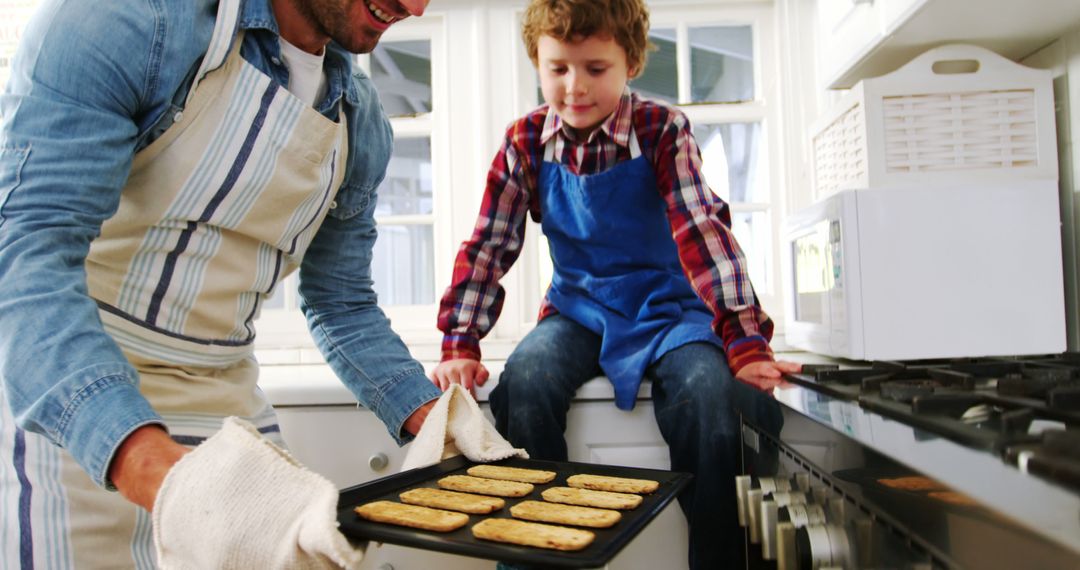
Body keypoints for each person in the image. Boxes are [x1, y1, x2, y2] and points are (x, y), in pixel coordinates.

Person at [0, 0, 443, 567]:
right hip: (73, 416)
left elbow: (342, 305)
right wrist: (156, 469)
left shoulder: (362, 124)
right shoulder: (131, 23)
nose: (415, 5)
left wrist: (438, 425)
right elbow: (27, 256)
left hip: (226, 414)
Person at [431, 0, 799, 567]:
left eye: (595, 69)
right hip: (579, 310)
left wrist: (746, 341)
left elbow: (705, 234)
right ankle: (537, 555)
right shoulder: (523, 141)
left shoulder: (662, 131)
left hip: (672, 312)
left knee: (709, 395)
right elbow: (488, 246)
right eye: (557, 69)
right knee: (525, 380)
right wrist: (460, 342)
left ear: (630, 62)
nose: (574, 87)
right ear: (537, 62)